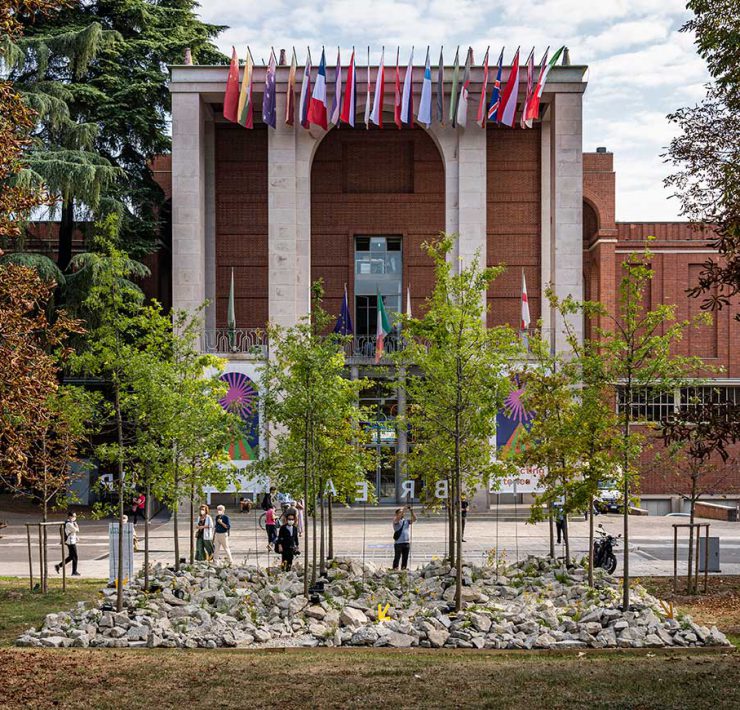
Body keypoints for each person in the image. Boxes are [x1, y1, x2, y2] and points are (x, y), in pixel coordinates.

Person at [391, 505, 417, 571]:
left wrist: (411, 511)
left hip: (406, 542)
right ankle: (395, 569)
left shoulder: (406, 521)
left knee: (405, 558)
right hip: (398, 543)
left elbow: (414, 519)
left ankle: (403, 569)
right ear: (396, 514)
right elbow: (398, 518)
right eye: (400, 512)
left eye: (402, 512)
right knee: (397, 557)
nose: (402, 513)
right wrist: (404, 509)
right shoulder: (395, 520)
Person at [56, 511, 80, 576]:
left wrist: (76, 537)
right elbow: (76, 530)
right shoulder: (68, 524)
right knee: (75, 556)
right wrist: (76, 526)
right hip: (70, 541)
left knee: (71, 556)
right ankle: (74, 572)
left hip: (72, 540)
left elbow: (73, 532)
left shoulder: (71, 523)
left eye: (75, 516)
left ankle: (59, 566)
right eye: (73, 516)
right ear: (70, 516)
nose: (75, 517)